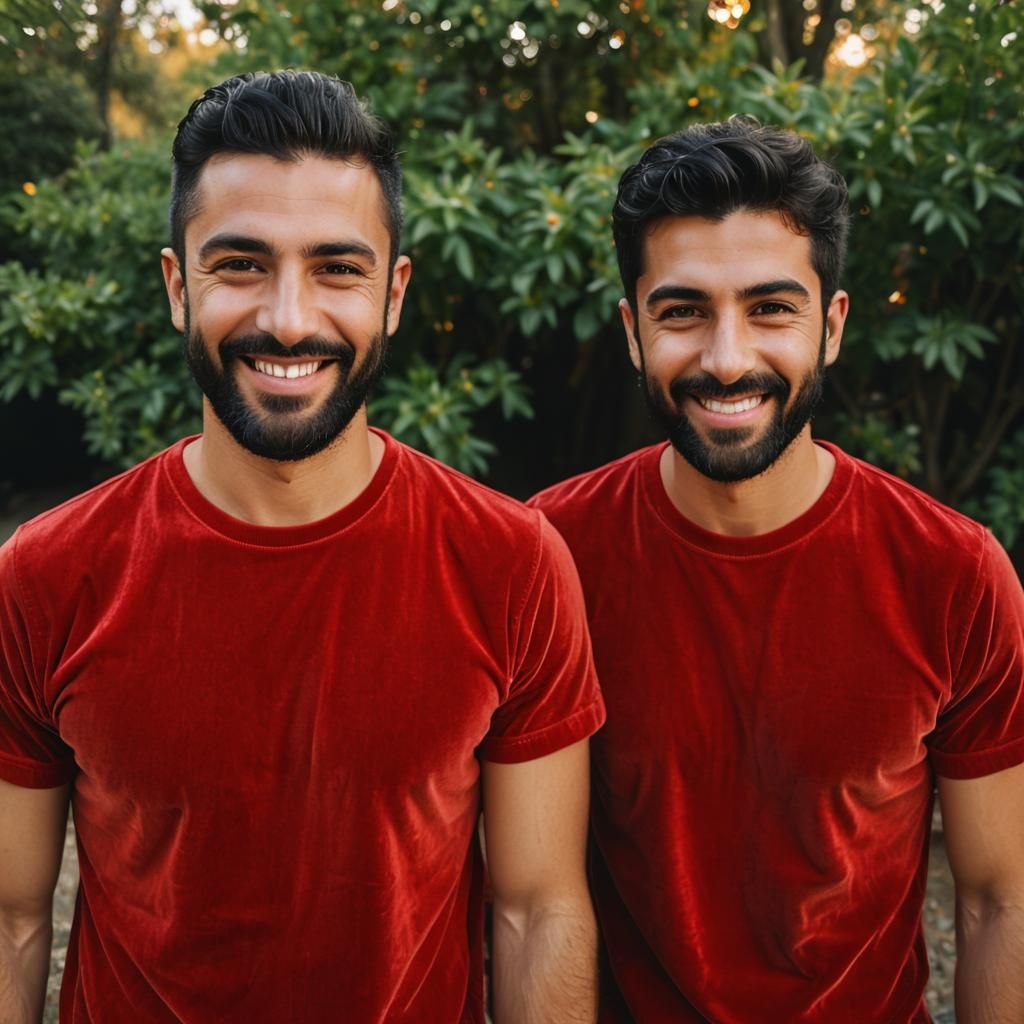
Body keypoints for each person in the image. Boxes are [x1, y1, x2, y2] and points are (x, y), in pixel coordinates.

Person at [0, 71, 605, 1024]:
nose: (289, 317)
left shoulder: (513, 563)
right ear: (177, 284)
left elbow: (537, 910)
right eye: (240, 263)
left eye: (337, 268)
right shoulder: (44, 573)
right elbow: (12, 919)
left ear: (394, 292)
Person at [530, 117, 1024, 1022]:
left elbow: (1000, 900)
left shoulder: (953, 572)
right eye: (683, 311)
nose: (727, 358)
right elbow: (529, 901)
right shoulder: (543, 558)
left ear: (831, 326)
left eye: (771, 309)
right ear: (633, 331)